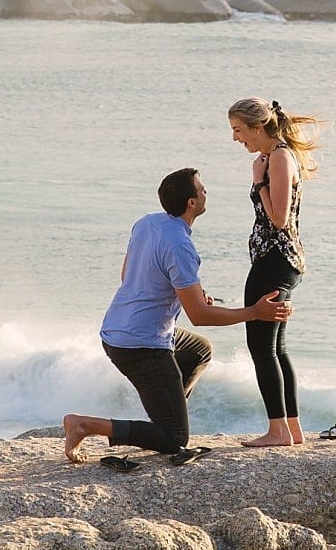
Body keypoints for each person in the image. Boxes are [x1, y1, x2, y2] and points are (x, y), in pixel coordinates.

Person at [62, 167, 293, 463]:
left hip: (117, 329)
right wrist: (255, 312)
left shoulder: (147, 223)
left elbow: (128, 275)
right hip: (140, 345)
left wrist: (191, 292)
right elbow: (200, 315)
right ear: (191, 203)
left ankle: (167, 412)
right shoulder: (180, 245)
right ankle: (85, 425)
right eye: (202, 188)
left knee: (199, 350)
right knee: (174, 439)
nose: (206, 191)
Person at [227, 97, 322, 447]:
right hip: (278, 260)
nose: (237, 138)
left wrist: (258, 183)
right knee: (277, 346)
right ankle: (292, 429)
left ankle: (277, 430)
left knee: (261, 346)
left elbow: (279, 219)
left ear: (257, 127)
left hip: (275, 259)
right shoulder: (277, 156)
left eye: (239, 130)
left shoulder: (279, 158)